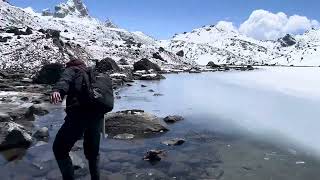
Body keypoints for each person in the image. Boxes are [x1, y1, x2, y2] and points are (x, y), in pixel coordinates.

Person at [50, 59, 104, 180]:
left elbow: (64, 80)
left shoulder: (72, 69)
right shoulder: (92, 72)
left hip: (79, 115)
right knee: (93, 153)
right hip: (97, 115)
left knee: (59, 149)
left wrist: (57, 90)